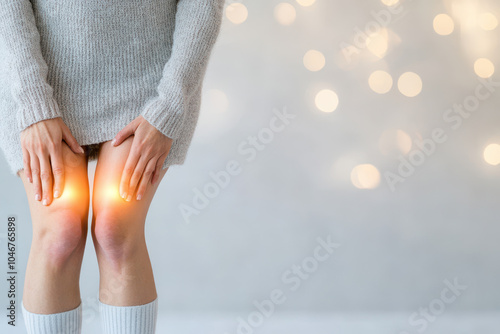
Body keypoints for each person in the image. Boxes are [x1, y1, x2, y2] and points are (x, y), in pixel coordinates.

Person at [0, 1, 224, 333]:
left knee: (114, 232)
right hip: (36, 78)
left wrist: (171, 105)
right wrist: (32, 101)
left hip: (149, 86)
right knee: (59, 234)